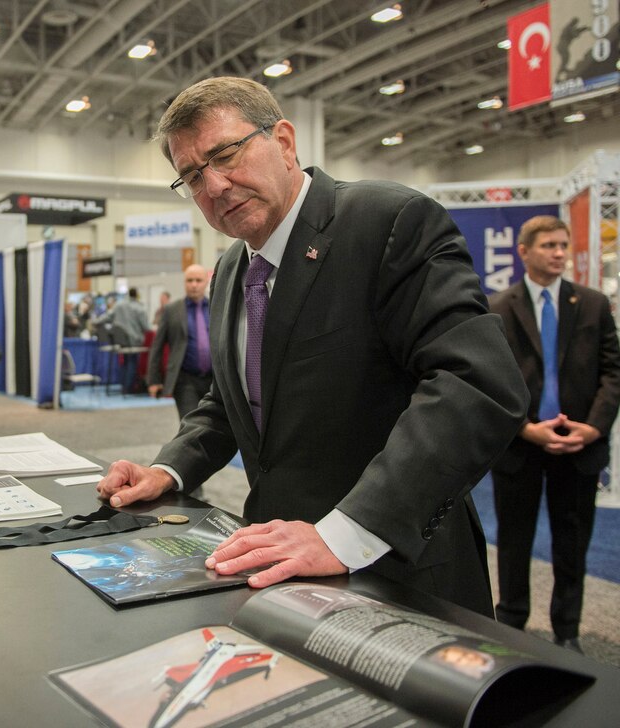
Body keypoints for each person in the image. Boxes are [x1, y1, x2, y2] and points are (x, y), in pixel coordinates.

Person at [96, 76, 528, 616]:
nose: (214, 186)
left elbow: (478, 382)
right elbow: (233, 404)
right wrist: (169, 469)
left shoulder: (387, 222)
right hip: (279, 563)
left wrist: (349, 532)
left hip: (395, 568)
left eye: (225, 154)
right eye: (191, 175)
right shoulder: (232, 269)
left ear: (283, 141)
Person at [489, 215, 620, 652]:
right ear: (523, 251)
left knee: (572, 544)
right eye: (549, 245)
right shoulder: (496, 308)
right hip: (521, 445)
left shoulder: (594, 304)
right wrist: (524, 427)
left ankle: (568, 634)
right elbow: (490, 377)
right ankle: (511, 626)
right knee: (513, 542)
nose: (560, 252)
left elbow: (612, 373)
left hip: (578, 445)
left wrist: (594, 427)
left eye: (564, 245)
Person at [147, 264, 213, 419]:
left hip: (214, 381)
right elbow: (157, 346)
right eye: (190, 280)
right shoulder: (172, 310)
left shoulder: (216, 306)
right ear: (184, 283)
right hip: (185, 380)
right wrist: (154, 380)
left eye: (198, 280)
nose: (194, 285)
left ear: (206, 282)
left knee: (216, 427)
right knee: (190, 426)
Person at [93, 288, 149, 394]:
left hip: (120, 341)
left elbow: (106, 317)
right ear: (137, 295)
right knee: (132, 362)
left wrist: (95, 322)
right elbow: (146, 327)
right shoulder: (140, 308)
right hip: (134, 342)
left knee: (124, 362)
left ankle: (123, 385)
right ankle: (128, 388)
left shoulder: (118, 305)